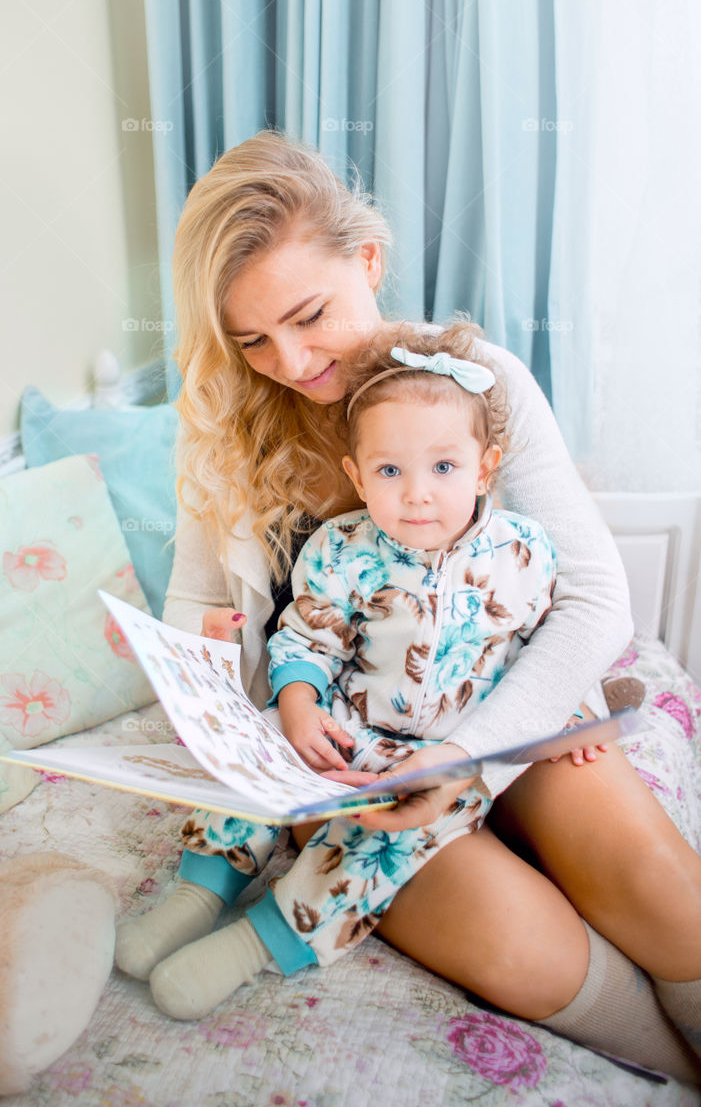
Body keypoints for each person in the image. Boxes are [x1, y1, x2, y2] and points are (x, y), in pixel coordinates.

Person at [115, 131, 701, 1080]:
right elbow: (193, 603)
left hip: (499, 711)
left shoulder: (479, 382)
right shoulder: (221, 425)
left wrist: (473, 750)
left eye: (309, 316)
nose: (288, 360)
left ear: (368, 261)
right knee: (522, 948)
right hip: (342, 745)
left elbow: (595, 600)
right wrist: (210, 645)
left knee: (665, 899)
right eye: (250, 339)